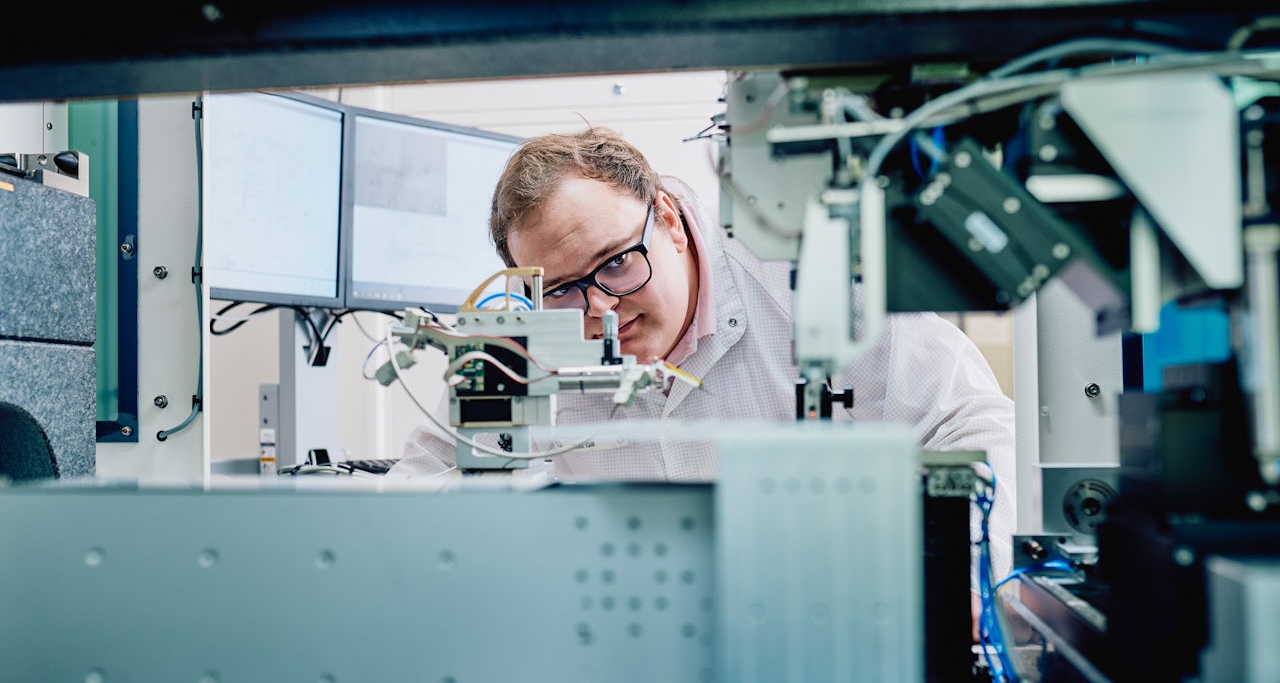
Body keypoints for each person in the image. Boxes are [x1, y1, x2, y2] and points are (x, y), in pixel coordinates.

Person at [386, 126, 1017, 584]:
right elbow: (419, 489)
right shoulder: (516, 346)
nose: (600, 310)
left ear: (666, 217)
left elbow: (979, 427)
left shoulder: (805, 280)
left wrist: (951, 572)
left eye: (615, 264)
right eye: (562, 291)